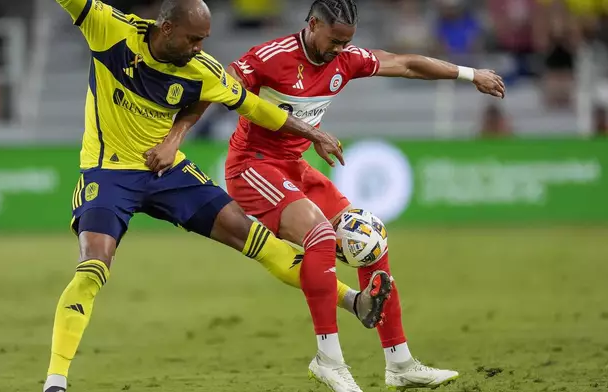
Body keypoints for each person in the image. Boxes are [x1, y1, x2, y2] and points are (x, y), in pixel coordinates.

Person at [43, 0, 393, 391]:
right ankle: (55, 381)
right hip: (108, 174)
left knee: (256, 240)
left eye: (204, 40)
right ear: (166, 28)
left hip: (168, 172)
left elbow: (256, 107)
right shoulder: (110, 29)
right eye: (193, 39)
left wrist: (313, 133)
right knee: (93, 267)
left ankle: (355, 303)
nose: (199, 48)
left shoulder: (203, 69)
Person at [162, 0, 506, 390]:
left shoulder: (346, 60)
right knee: (321, 238)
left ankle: (400, 363)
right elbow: (215, 87)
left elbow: (406, 63)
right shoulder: (270, 58)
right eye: (335, 40)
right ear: (313, 25)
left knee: (370, 241)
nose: (340, 50)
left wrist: (469, 73)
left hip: (296, 166)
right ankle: (328, 359)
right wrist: (174, 139)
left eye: (347, 42)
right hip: (252, 167)